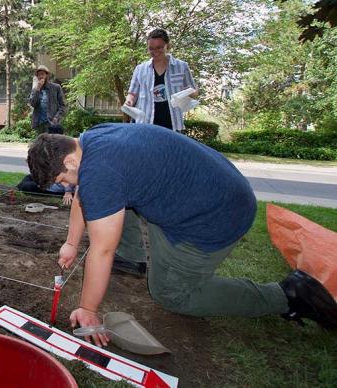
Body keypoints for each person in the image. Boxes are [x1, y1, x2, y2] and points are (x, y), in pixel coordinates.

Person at [26, 123, 337, 345]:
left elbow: (101, 250)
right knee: (106, 200)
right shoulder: (91, 139)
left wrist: (89, 309)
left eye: (62, 178)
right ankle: (134, 257)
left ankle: (288, 295)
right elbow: (86, 193)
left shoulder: (100, 173)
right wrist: (70, 243)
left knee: (172, 293)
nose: (66, 185)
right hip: (216, 189)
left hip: (215, 218)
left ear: (69, 160)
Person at [124, 28, 197, 131]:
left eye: (159, 47)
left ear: (167, 45)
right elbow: (132, 94)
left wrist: (192, 93)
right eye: (151, 48)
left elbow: (193, 89)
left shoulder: (182, 66)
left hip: (173, 124)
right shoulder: (140, 69)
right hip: (145, 125)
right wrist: (129, 102)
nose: (155, 52)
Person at [29, 65, 66, 134]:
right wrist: (38, 89)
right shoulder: (35, 89)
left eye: (42, 74)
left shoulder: (56, 87)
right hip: (39, 123)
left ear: (47, 75)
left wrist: (56, 118)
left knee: (52, 144)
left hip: (52, 123)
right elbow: (32, 104)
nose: (41, 76)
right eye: (39, 75)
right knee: (40, 144)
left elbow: (63, 105)